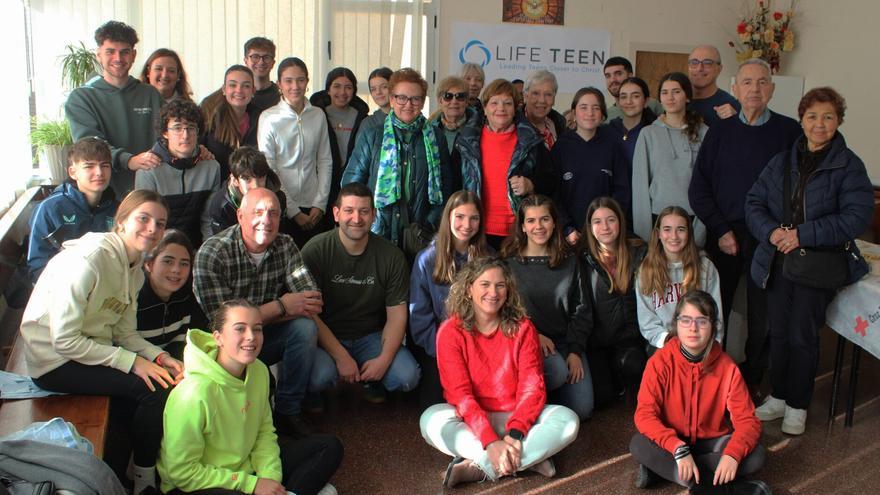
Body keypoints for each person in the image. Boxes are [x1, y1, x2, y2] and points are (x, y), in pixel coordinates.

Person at [19, 190, 183, 494]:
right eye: (143, 219)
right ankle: (145, 481)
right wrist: (133, 362)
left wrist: (160, 357)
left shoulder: (133, 270)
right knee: (153, 390)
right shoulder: (90, 259)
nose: (152, 229)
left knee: (140, 394)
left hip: (88, 349)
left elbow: (124, 334)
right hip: (53, 361)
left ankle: (122, 473)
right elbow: (64, 341)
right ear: (120, 222)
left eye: (160, 224)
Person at [746, 87, 874, 435]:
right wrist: (772, 232)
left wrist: (804, 234)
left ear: (839, 121)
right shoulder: (781, 161)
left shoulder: (848, 165)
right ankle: (779, 395)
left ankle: (798, 404)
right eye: (813, 116)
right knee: (779, 332)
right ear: (801, 120)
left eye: (828, 117)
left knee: (803, 335)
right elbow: (754, 203)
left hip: (818, 266)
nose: (820, 124)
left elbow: (856, 217)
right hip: (778, 262)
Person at [420, 257, 580, 488]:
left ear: (508, 291)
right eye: (484, 284)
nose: (492, 292)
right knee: (430, 420)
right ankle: (527, 461)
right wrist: (489, 441)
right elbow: (460, 396)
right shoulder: (450, 332)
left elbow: (532, 389)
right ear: (468, 289)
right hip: (471, 421)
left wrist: (515, 435)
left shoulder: (523, 327)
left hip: (515, 417)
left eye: (500, 285)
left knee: (568, 421)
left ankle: (480, 467)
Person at [689, 58, 801, 388]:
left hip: (769, 236)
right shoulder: (719, 132)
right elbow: (699, 188)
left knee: (762, 314)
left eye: (762, 82)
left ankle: (752, 380)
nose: (755, 89)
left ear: (772, 89)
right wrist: (721, 230)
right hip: (724, 233)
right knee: (713, 306)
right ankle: (709, 375)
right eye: (748, 82)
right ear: (735, 88)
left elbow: (798, 189)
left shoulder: (789, 132)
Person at [157, 300, 342, 495]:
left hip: (246, 469)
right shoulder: (193, 393)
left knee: (329, 446)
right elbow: (181, 472)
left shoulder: (259, 371)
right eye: (240, 329)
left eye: (257, 329)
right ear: (218, 337)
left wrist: (269, 477)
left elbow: (264, 432)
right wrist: (251, 484)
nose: (251, 337)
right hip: (196, 484)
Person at [194, 188, 323, 438]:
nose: (266, 220)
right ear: (240, 216)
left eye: (273, 213)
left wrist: (258, 318)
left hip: (265, 337)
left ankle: (288, 410)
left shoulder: (285, 244)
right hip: (223, 350)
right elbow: (224, 327)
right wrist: (281, 306)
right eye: (258, 212)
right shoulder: (213, 252)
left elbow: (311, 301)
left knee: (305, 328)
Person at [630, 290, 769, 494]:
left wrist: (731, 455)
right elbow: (644, 415)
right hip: (674, 444)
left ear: (713, 327)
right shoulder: (659, 363)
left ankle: (667, 473)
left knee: (756, 456)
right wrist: (677, 448)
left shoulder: (727, 367)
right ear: (676, 324)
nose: (693, 328)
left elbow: (748, 421)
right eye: (685, 320)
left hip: (711, 443)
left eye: (702, 321)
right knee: (638, 444)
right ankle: (733, 488)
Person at [302, 183, 421, 408]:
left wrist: (383, 361)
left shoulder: (391, 256)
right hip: (326, 336)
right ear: (336, 214)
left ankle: (372, 380)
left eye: (364, 211)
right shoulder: (315, 251)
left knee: (407, 377)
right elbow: (308, 314)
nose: (356, 218)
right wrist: (340, 356)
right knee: (319, 376)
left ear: (373, 216)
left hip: (371, 336)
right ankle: (315, 391)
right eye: (349, 210)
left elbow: (397, 316)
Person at [342, 68, 455, 256]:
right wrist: (368, 218)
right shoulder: (372, 136)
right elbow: (351, 184)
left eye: (415, 98)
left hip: (421, 235)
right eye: (401, 98)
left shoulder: (436, 136)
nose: (408, 104)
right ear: (392, 99)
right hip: (378, 231)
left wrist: (429, 223)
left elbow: (446, 186)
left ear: (423, 101)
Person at [502, 195, 594, 421]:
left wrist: (574, 351)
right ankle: (528, 403)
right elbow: (502, 310)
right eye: (531, 221)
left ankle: (544, 403)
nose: (538, 227)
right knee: (558, 372)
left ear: (554, 223)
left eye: (544, 219)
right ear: (522, 226)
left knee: (582, 409)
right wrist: (533, 334)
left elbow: (582, 309)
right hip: (527, 342)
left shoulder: (570, 261)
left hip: (564, 341)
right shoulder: (508, 263)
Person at [410, 190, 490, 408]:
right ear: (448, 218)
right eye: (460, 217)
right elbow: (419, 317)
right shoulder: (427, 259)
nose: (467, 224)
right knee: (437, 407)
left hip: (480, 345)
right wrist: (447, 353)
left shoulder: (488, 258)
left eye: (474, 218)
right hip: (440, 345)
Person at [65, 20, 162, 195]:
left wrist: (197, 150)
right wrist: (128, 160)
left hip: (149, 191)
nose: (118, 58)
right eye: (110, 52)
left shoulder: (151, 94)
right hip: (105, 195)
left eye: (124, 52)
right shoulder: (81, 98)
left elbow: (168, 136)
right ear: (98, 55)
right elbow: (90, 146)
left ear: (133, 55)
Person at [456, 78, 553, 249]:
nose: (501, 108)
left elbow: (552, 182)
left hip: (519, 234)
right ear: (484, 109)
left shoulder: (531, 142)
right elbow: (454, 184)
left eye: (507, 103)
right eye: (494, 103)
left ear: (516, 109)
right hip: (476, 232)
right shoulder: (466, 141)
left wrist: (531, 184)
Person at [581, 197, 648, 408]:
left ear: (620, 222)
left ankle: (626, 381)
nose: (605, 227)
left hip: (630, 339)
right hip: (598, 342)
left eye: (611, 220)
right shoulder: (582, 259)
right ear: (590, 227)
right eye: (598, 221)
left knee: (633, 364)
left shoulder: (639, 251)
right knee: (601, 399)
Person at [259, 57, 332, 246]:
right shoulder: (269, 118)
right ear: (279, 84)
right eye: (288, 81)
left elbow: (325, 161)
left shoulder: (318, 115)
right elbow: (270, 168)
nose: (295, 86)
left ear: (307, 82)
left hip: (314, 206)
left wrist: (320, 203)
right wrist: (294, 212)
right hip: (281, 206)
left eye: (300, 80)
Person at [27, 137, 118, 283]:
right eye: (89, 166)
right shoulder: (49, 209)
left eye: (105, 165)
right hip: (61, 288)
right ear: (73, 172)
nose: (99, 172)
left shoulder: (118, 209)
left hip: (104, 287)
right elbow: (37, 265)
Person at [632, 73, 708, 244]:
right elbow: (640, 186)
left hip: (694, 218)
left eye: (676, 92)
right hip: (658, 219)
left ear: (687, 96)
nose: (670, 97)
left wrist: (703, 225)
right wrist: (645, 234)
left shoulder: (704, 133)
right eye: (665, 92)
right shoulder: (648, 134)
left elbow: (710, 184)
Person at [636, 206, 723, 353]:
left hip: (700, 342)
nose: (674, 236)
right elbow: (647, 323)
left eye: (681, 229)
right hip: (664, 344)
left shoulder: (705, 267)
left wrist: (713, 347)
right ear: (658, 234)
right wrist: (670, 342)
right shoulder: (645, 271)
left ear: (689, 233)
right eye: (667, 229)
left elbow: (716, 315)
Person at [135, 98, 221, 247]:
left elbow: (208, 219)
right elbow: (145, 224)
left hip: (195, 248)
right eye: (177, 128)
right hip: (157, 248)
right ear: (165, 132)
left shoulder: (211, 167)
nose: (185, 135)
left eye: (191, 127)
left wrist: (208, 253)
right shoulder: (149, 169)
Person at [552, 87, 630, 245]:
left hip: (605, 234)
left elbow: (622, 191)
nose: (590, 113)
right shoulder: (561, 147)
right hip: (571, 235)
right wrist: (567, 228)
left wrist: (608, 226)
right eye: (583, 107)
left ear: (602, 114)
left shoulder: (613, 146)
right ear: (573, 113)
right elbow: (554, 194)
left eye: (596, 108)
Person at [137, 229, 208, 360]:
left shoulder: (188, 296)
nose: (176, 270)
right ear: (149, 264)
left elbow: (190, 345)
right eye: (168, 261)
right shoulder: (133, 299)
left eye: (184, 263)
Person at [310, 66, 370, 219]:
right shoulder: (317, 115)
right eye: (336, 86)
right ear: (328, 90)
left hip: (351, 183)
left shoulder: (362, 118)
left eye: (348, 87)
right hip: (321, 183)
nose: (342, 93)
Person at [206, 146, 286, 236]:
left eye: (260, 178)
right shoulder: (221, 206)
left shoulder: (279, 199)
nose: (255, 186)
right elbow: (222, 242)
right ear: (235, 181)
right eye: (247, 179)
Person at [201, 64, 260, 179]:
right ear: (224, 90)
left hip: (250, 186)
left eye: (246, 86)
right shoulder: (209, 117)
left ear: (253, 91)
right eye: (233, 85)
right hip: (215, 187)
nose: (239, 90)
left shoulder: (261, 118)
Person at [605, 76, 658, 164]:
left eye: (635, 96)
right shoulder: (609, 129)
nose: (628, 101)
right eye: (623, 97)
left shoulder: (653, 133)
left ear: (646, 101)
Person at [687, 45, 740, 128]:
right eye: (694, 62)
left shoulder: (732, 106)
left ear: (719, 69)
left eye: (707, 63)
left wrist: (737, 122)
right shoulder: (676, 101)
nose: (699, 68)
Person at [603, 56, 663, 121]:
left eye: (618, 74)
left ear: (630, 76)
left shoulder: (653, 105)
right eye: (608, 76)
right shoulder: (606, 115)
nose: (612, 80)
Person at [522, 70, 567, 150]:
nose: (542, 100)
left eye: (548, 94)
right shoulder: (513, 125)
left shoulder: (561, 125)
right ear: (525, 96)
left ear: (554, 98)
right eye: (535, 93)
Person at [243, 37, 281, 113]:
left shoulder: (281, 96)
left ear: (273, 63)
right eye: (255, 57)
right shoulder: (239, 95)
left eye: (266, 57)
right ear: (246, 61)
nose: (261, 62)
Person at [359, 67, 394, 134]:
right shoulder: (368, 124)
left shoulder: (407, 118)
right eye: (373, 89)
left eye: (384, 87)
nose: (378, 92)